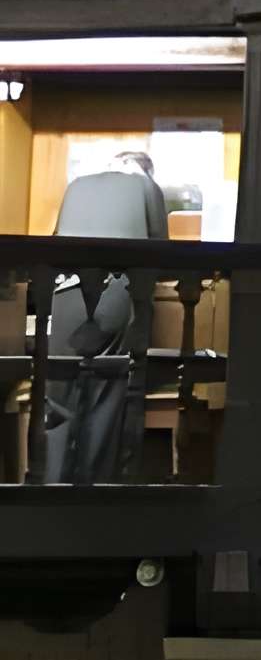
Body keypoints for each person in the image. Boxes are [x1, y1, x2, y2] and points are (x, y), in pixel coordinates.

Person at [42, 149, 169, 484]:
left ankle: (52, 487)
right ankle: (93, 490)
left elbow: (55, 242)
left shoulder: (78, 184)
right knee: (104, 394)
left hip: (63, 293)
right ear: (145, 169)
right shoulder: (146, 186)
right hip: (113, 291)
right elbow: (162, 250)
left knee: (59, 394)